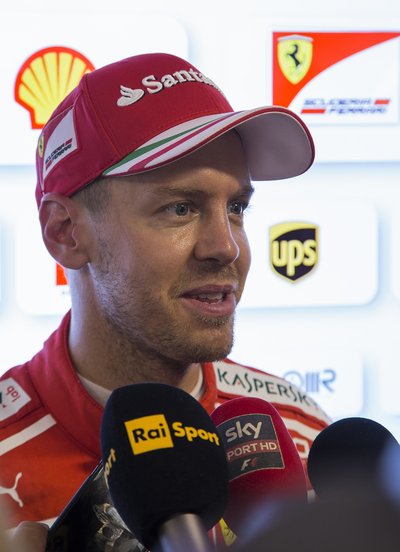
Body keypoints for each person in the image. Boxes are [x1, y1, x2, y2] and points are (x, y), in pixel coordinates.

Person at [0, 53, 330, 545]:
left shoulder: (301, 438)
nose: (227, 247)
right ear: (65, 232)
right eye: (180, 208)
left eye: (237, 208)